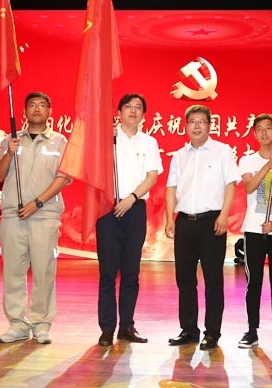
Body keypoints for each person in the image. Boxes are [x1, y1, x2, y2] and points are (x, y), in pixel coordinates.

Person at [0, 91, 72, 345]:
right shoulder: (10, 140)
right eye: (31, 105)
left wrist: (37, 203)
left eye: (42, 105)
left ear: (50, 111)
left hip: (44, 215)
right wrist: (9, 153)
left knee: (43, 272)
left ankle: (41, 323)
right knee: (13, 272)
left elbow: (64, 177)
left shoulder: (60, 141)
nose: (37, 109)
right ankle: (17, 324)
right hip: (13, 215)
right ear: (24, 111)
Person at [164, 104, 240, 351]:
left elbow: (230, 185)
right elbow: (171, 188)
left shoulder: (222, 151)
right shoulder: (179, 155)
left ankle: (212, 333)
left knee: (213, 280)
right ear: (186, 126)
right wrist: (169, 219)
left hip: (212, 223)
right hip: (184, 222)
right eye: (192, 122)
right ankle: (189, 330)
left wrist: (224, 215)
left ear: (209, 125)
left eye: (201, 122)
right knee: (184, 280)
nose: (196, 126)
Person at [96, 93, 163, 347]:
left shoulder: (149, 142)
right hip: (108, 209)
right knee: (107, 274)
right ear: (119, 111)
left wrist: (132, 198)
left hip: (134, 209)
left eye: (138, 108)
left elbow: (152, 176)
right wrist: (105, 137)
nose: (133, 111)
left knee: (131, 273)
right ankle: (106, 329)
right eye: (128, 106)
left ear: (143, 115)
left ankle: (126, 326)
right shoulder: (106, 138)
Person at [236, 113, 272, 350]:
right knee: (254, 282)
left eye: (268, 128)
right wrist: (267, 166)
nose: (264, 133)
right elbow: (250, 187)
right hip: (254, 230)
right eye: (259, 129)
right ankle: (252, 331)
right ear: (254, 133)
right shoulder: (247, 160)